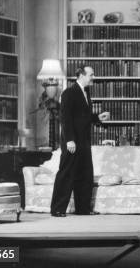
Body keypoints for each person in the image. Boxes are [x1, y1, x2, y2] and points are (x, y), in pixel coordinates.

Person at [50, 65, 110, 217]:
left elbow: (83, 117)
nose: (93, 77)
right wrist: (69, 139)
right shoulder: (69, 93)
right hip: (72, 141)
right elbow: (65, 118)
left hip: (83, 141)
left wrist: (97, 118)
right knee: (67, 173)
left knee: (85, 174)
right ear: (82, 75)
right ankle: (57, 209)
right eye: (91, 74)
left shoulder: (86, 92)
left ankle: (83, 209)